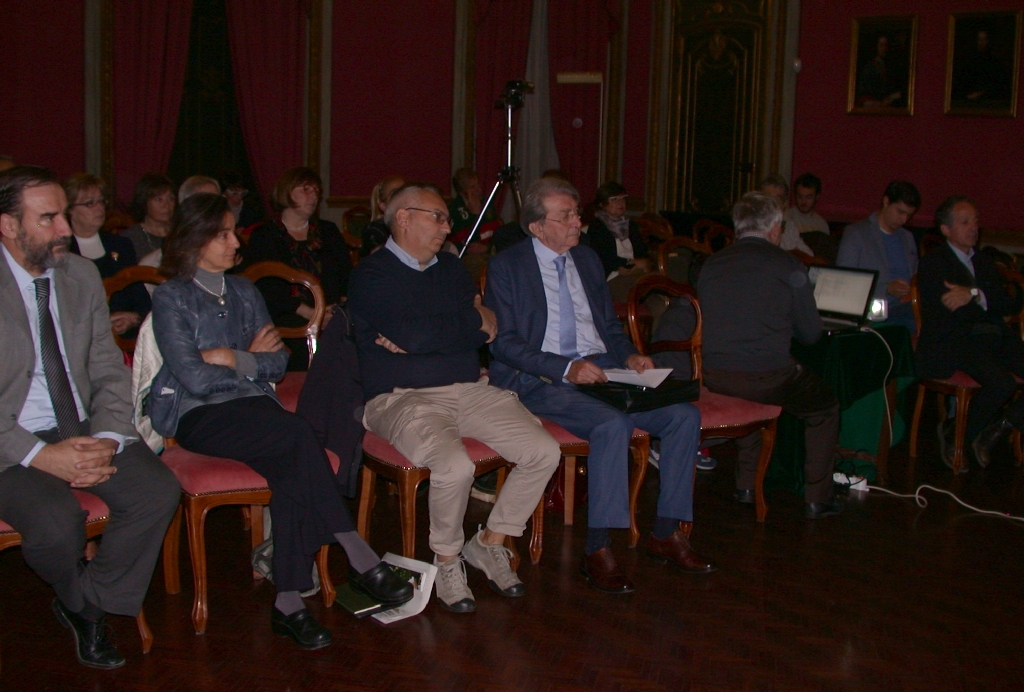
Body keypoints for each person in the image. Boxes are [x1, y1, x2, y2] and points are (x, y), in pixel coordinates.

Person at [148, 192, 411, 650]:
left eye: (234, 231)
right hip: (199, 415)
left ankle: (289, 603)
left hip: (256, 408)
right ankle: (359, 555)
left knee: (293, 461)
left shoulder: (246, 291)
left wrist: (230, 357)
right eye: (224, 233)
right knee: (297, 434)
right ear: (195, 239)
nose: (235, 242)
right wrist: (250, 358)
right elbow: (192, 377)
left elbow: (280, 362)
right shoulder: (172, 297)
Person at [485, 178, 713, 594]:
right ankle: (597, 550)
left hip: (605, 370)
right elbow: (504, 345)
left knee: (683, 415)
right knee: (612, 426)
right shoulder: (508, 266)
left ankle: (665, 531)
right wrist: (565, 368)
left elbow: (608, 326)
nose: (577, 222)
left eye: (577, 213)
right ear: (537, 226)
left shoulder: (587, 260)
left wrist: (629, 356)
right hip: (541, 378)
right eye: (566, 216)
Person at [347, 183, 560, 613]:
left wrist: (435, 333)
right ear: (403, 217)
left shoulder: (449, 268)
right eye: (437, 217)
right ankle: (446, 558)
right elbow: (430, 332)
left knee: (543, 450)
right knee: (455, 464)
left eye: (446, 218)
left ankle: (489, 541)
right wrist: (461, 326)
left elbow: (487, 327)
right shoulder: (371, 274)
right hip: (400, 397)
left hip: (467, 388)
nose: (447, 226)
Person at [0, 165, 180, 669]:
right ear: (8, 225)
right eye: (49, 218)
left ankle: (85, 602)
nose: (65, 230)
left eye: (64, 215)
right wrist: (40, 456)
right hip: (11, 439)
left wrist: (105, 434)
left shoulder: (78, 275)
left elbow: (105, 368)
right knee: (59, 523)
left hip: (80, 423)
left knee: (157, 492)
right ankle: (85, 607)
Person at [697, 191, 843, 518]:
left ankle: (746, 486)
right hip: (767, 375)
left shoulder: (711, 264)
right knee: (825, 408)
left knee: (750, 400)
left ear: (737, 227)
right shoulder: (788, 265)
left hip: (716, 374)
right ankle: (817, 497)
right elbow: (811, 334)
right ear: (775, 228)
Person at [916, 196, 1024, 471]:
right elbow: (953, 311)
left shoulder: (985, 262)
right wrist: (985, 302)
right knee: (1003, 383)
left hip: (993, 336)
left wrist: (973, 294)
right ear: (946, 229)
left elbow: (1011, 303)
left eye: (975, 220)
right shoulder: (935, 264)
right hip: (956, 340)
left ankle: (997, 427)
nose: (973, 227)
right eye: (965, 222)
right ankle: (958, 435)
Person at [243, 167, 350, 371]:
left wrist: (336, 311)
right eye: (306, 190)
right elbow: (266, 288)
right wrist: (311, 313)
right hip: (287, 314)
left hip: (331, 313)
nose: (313, 196)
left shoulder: (327, 231)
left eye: (317, 191)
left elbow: (346, 276)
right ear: (287, 191)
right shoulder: (266, 235)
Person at [64, 172, 151, 337]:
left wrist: (134, 318)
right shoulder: (62, 251)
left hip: (125, 338)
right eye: (90, 203)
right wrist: (105, 320)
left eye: (101, 201)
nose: (99, 208)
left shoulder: (120, 244)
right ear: (70, 210)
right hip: (81, 338)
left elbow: (141, 298)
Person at [837, 180, 921, 331]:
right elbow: (844, 282)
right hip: (874, 309)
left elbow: (915, 275)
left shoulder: (907, 238)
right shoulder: (857, 234)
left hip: (907, 304)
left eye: (909, 215)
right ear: (886, 201)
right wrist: (886, 288)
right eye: (900, 212)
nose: (904, 220)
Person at [586, 181, 653, 301]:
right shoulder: (597, 227)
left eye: (623, 198)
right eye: (614, 199)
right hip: (612, 277)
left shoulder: (631, 225)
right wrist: (631, 264)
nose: (621, 202)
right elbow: (605, 258)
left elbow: (642, 253)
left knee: (658, 288)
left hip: (636, 272)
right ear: (602, 204)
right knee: (646, 290)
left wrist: (640, 264)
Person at [121, 173, 175, 261]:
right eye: (158, 199)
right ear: (144, 202)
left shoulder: (181, 233)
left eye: (171, 199)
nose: (167, 205)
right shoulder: (130, 238)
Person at [785, 172, 836, 262]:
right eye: (800, 196)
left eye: (808, 197)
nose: (803, 202)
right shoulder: (786, 217)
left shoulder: (821, 224)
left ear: (817, 197)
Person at [761, 174, 813, 256]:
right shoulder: (750, 226)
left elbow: (808, 256)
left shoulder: (789, 227)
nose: (769, 204)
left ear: (784, 204)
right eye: (766, 198)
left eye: (775, 200)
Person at [362, 174, 404, 257]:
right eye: (395, 193)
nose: (402, 196)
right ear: (384, 206)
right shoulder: (375, 230)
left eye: (405, 191)